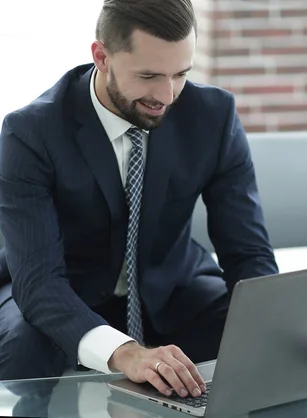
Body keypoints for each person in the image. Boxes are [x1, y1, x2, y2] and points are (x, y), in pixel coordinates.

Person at [0, 0, 279, 401]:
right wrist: (125, 353)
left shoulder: (213, 116)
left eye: (181, 74)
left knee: (265, 344)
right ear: (101, 56)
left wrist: (277, 326)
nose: (166, 95)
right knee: (24, 350)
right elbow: (39, 281)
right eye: (149, 75)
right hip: (62, 293)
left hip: (171, 288)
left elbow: (248, 252)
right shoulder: (32, 131)